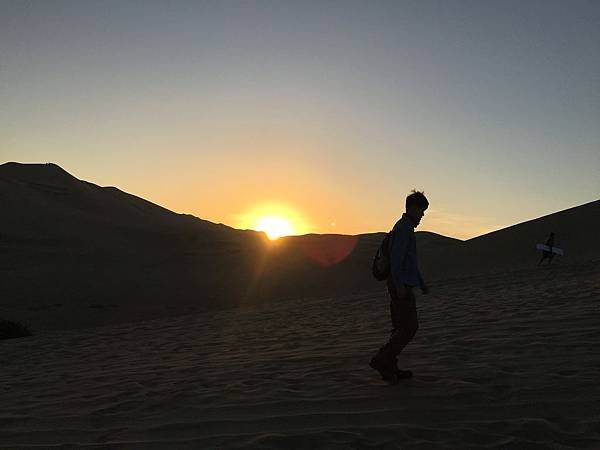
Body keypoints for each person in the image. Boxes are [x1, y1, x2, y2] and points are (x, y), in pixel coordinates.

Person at [370, 190, 430, 384]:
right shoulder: (404, 228)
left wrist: (420, 282)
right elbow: (397, 260)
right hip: (400, 285)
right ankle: (382, 359)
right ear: (412, 208)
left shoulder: (404, 227)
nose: (422, 215)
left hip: (403, 283)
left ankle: (390, 365)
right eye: (421, 210)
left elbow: (410, 261)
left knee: (401, 327)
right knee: (409, 327)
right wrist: (399, 286)